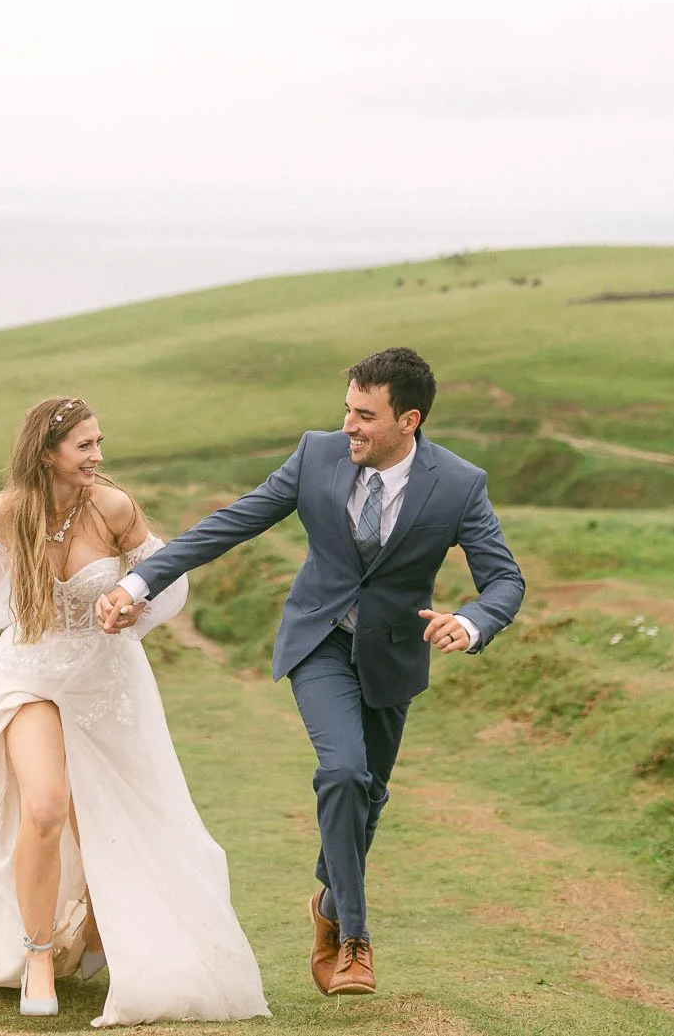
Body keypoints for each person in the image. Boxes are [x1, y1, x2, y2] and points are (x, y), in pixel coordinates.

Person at [96, 346, 525, 997]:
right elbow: (230, 524)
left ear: (409, 420)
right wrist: (138, 581)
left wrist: (469, 622)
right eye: (347, 409)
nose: (348, 425)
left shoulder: (459, 484)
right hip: (320, 642)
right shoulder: (316, 454)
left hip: (392, 657)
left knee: (368, 795)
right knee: (344, 771)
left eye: (365, 415)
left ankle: (325, 902)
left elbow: (505, 580)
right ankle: (353, 938)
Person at [0, 396, 270, 1027]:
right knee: (46, 806)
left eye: (98, 442)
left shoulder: (113, 506)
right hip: (29, 672)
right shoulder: (9, 512)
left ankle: (105, 928)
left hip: (106, 680)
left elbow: (170, 578)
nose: (97, 455)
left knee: (109, 814)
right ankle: (38, 954)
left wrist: (132, 609)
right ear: (47, 452)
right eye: (84, 445)